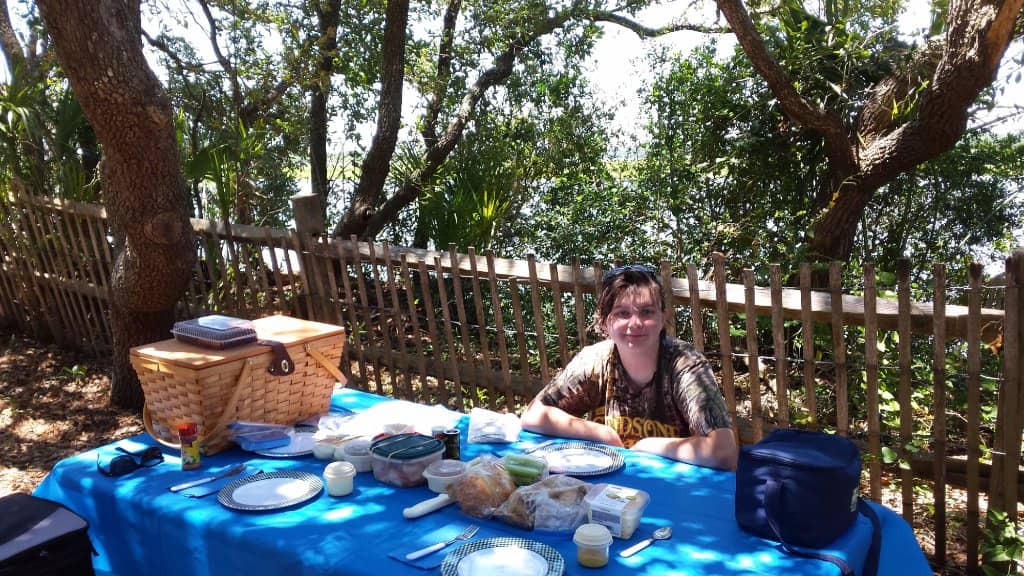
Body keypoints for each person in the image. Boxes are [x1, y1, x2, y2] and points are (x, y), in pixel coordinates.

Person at [520, 264, 738, 470]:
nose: (635, 323)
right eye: (622, 313)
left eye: (647, 312)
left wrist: (648, 446)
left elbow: (723, 452)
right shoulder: (595, 360)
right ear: (604, 322)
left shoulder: (684, 364)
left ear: (663, 317)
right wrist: (601, 433)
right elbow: (533, 415)